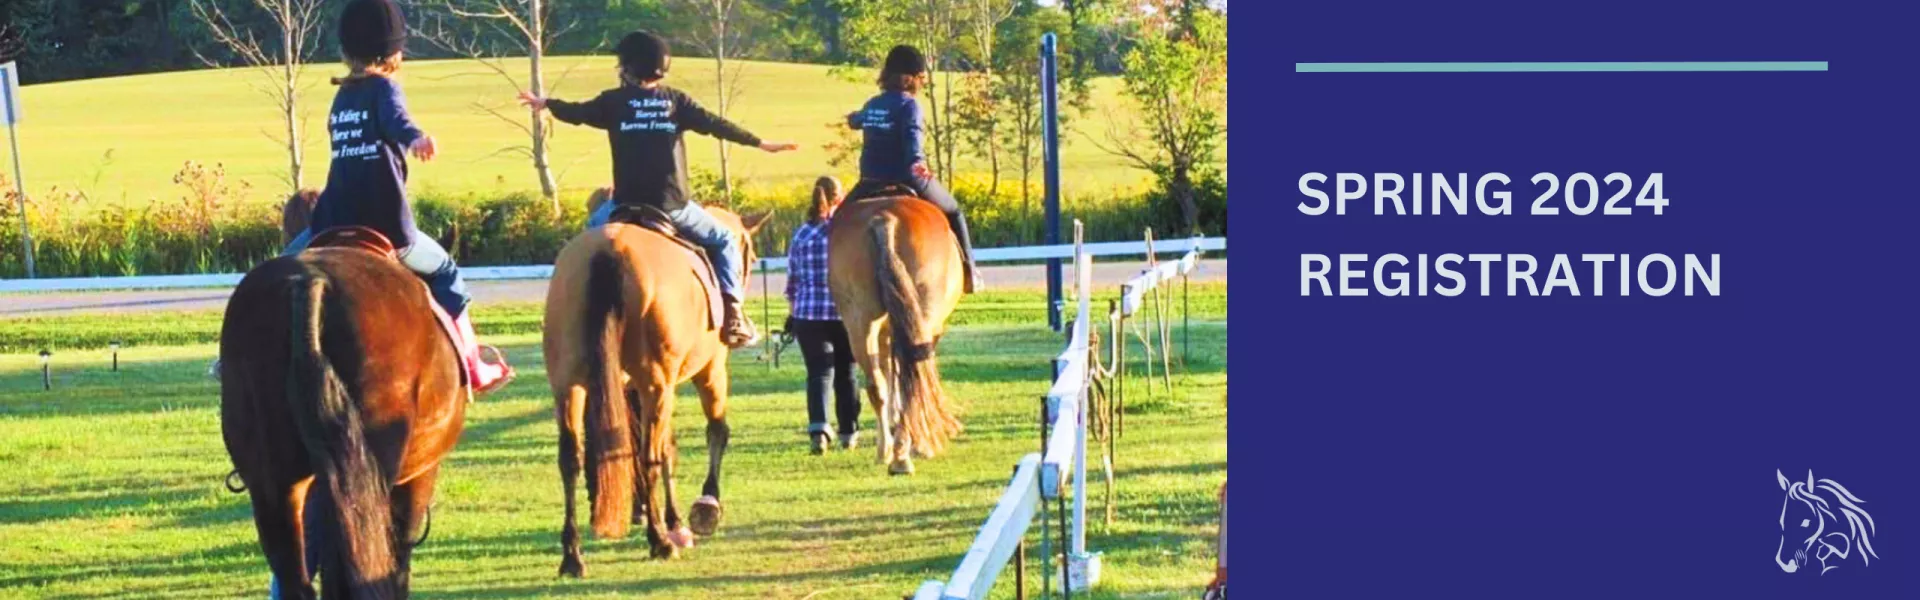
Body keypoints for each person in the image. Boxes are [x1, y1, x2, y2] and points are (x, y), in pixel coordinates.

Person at [224, 0, 513, 394]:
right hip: (385, 225)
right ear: (395, 52)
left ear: (347, 51)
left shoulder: (342, 96)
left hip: (330, 222)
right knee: (446, 272)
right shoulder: (384, 87)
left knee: (274, 274)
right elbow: (398, 120)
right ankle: (474, 365)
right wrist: (417, 139)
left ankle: (235, 359)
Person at [520, 31, 797, 348]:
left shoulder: (612, 102)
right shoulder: (675, 101)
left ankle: (575, 310)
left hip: (623, 206)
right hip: (672, 206)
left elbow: (578, 113)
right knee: (723, 240)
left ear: (627, 68)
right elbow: (716, 124)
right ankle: (733, 313)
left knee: (588, 240)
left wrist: (546, 103)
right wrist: (762, 143)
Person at [845, 44, 980, 293]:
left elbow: (857, 120)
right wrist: (921, 168)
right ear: (911, 77)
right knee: (954, 210)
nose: (922, 83)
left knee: (836, 222)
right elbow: (913, 147)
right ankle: (971, 271)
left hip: (870, 181)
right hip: (907, 176)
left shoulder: (873, 103)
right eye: (921, 78)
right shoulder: (910, 106)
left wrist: (853, 118)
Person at [785, 177, 861, 454]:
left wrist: (792, 316)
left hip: (807, 314)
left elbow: (792, 282)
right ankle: (848, 432)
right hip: (843, 312)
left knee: (818, 374)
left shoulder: (801, 234)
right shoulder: (843, 234)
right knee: (847, 373)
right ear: (838, 199)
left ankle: (818, 429)